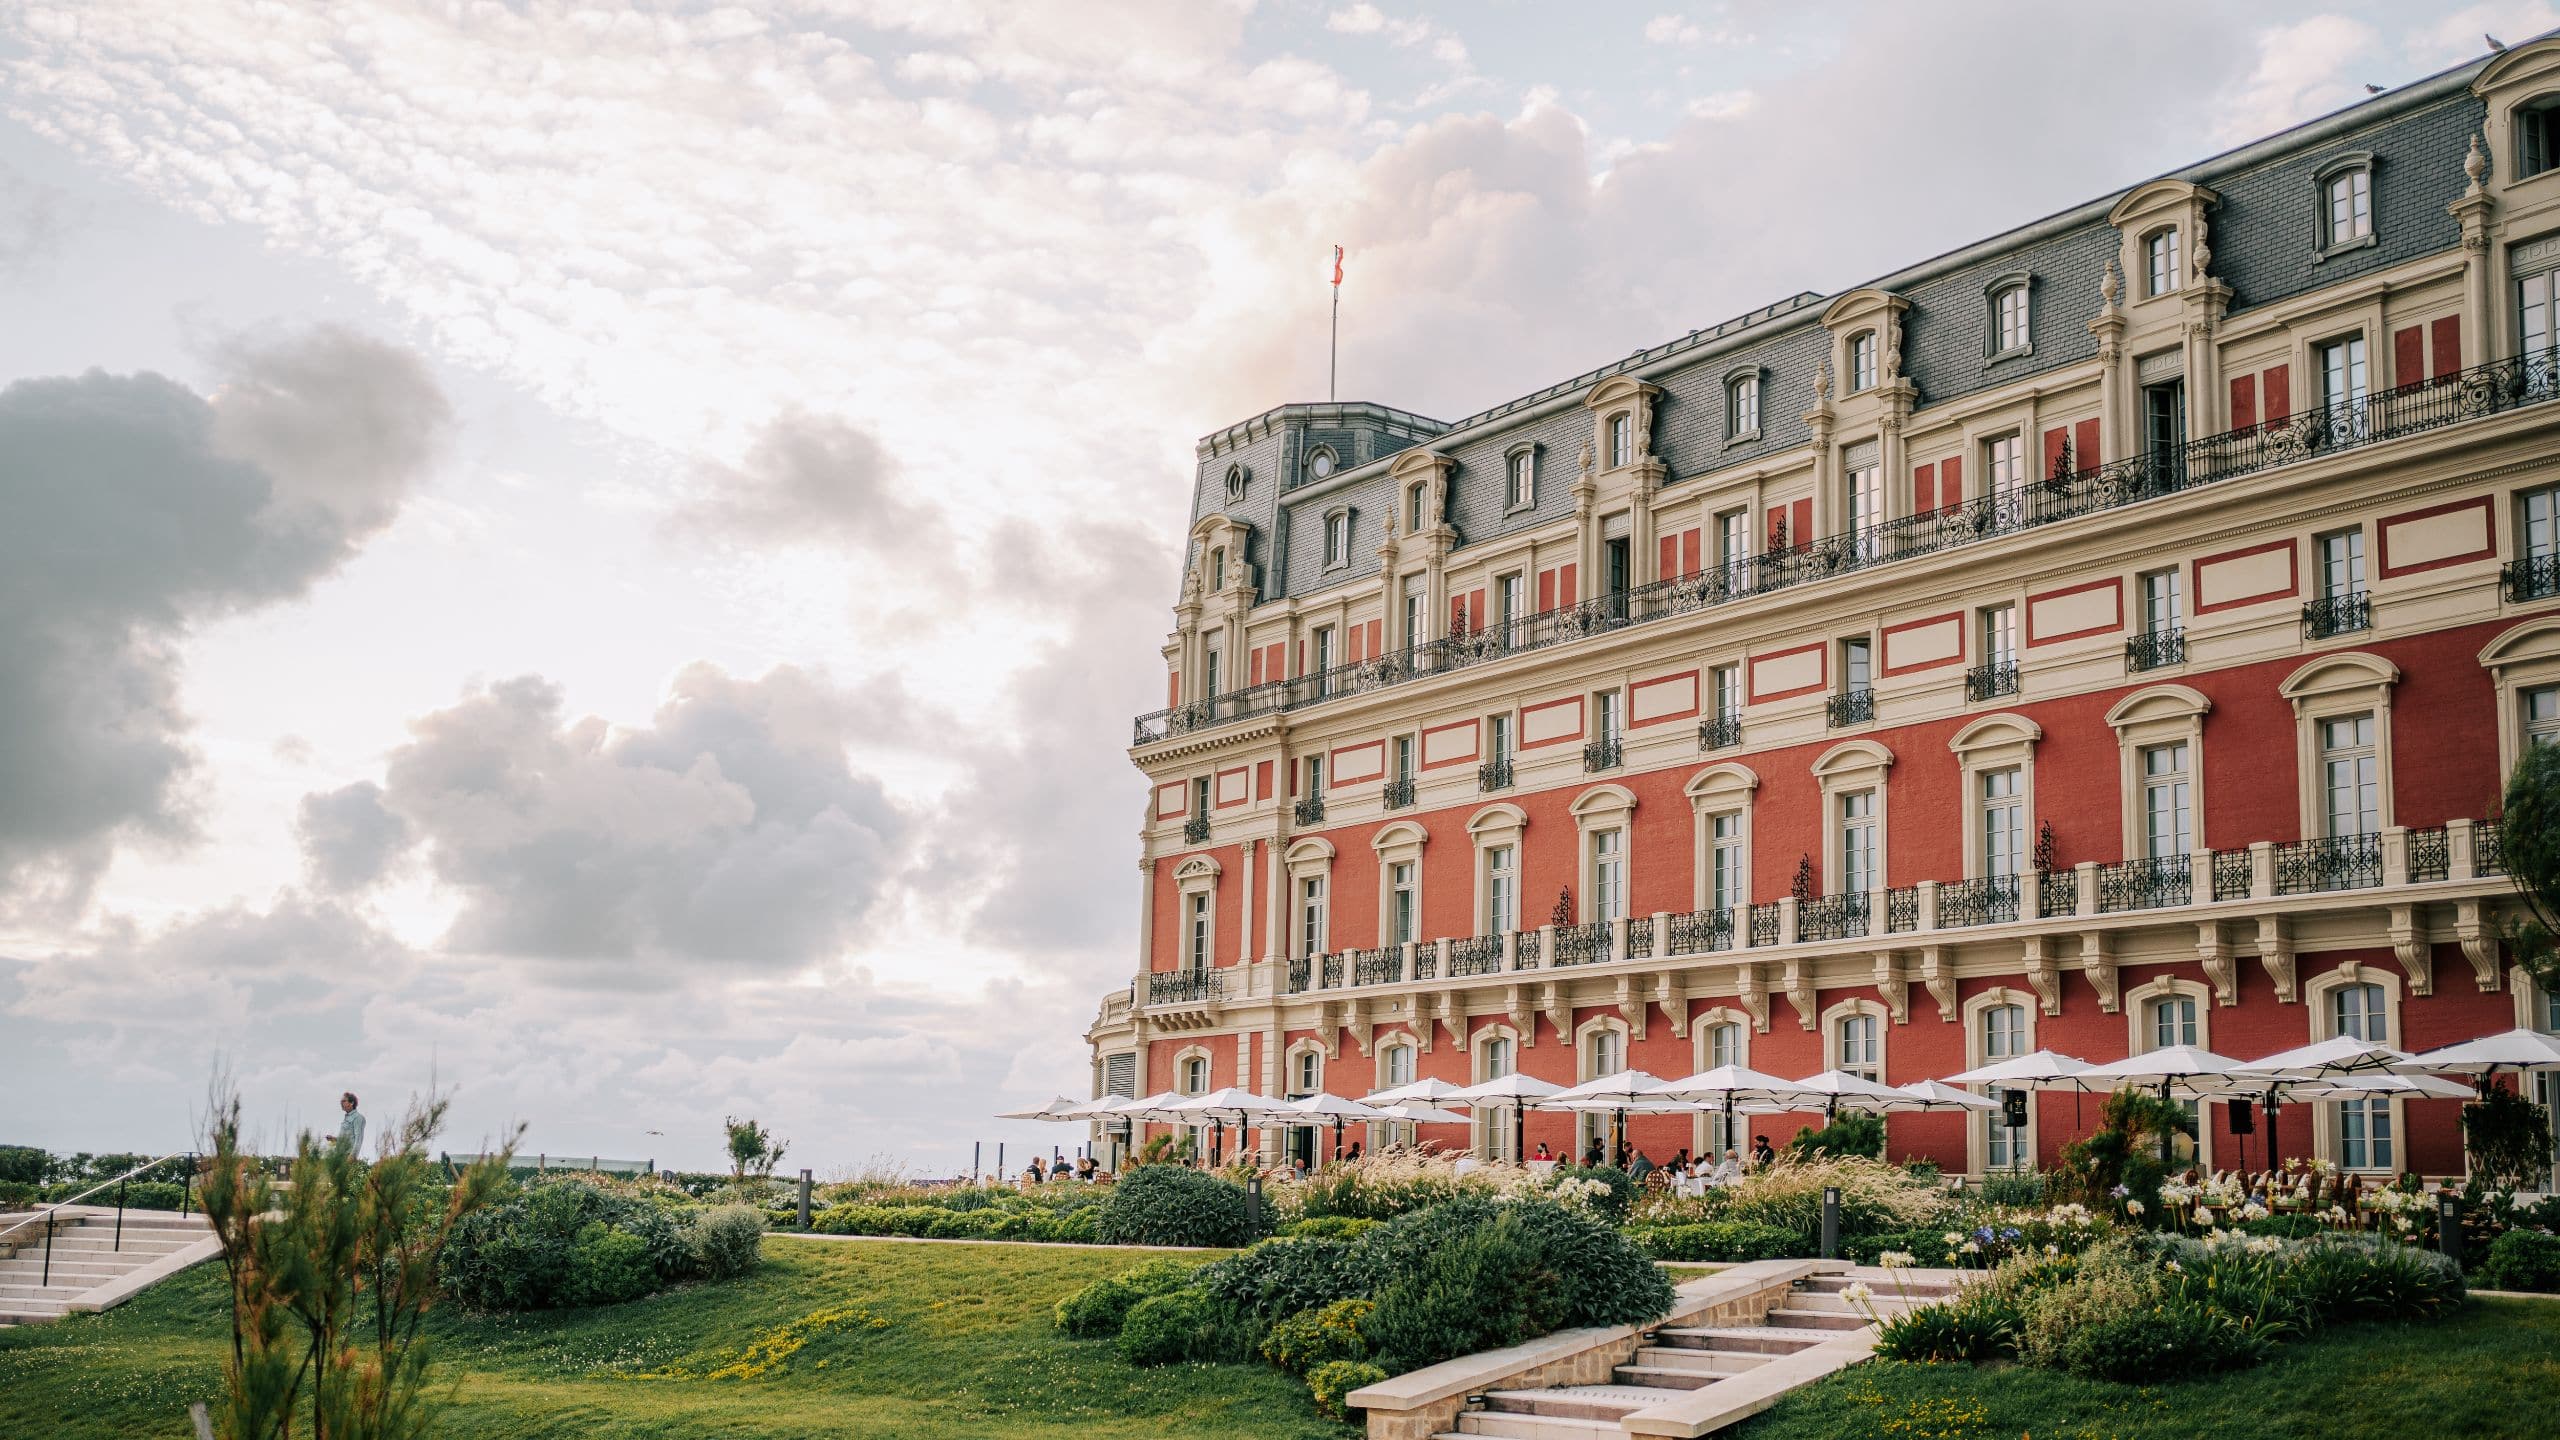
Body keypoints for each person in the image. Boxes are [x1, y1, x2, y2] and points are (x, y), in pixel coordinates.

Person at [332, 1092, 366, 1159]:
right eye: (341, 1101)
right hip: (339, 1155)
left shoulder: (358, 1117)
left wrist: (352, 1157)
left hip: (348, 1157)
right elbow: (347, 1139)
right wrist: (334, 1139)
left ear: (352, 1103)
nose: (341, 1103)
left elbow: (358, 1140)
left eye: (344, 1101)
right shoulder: (347, 1118)